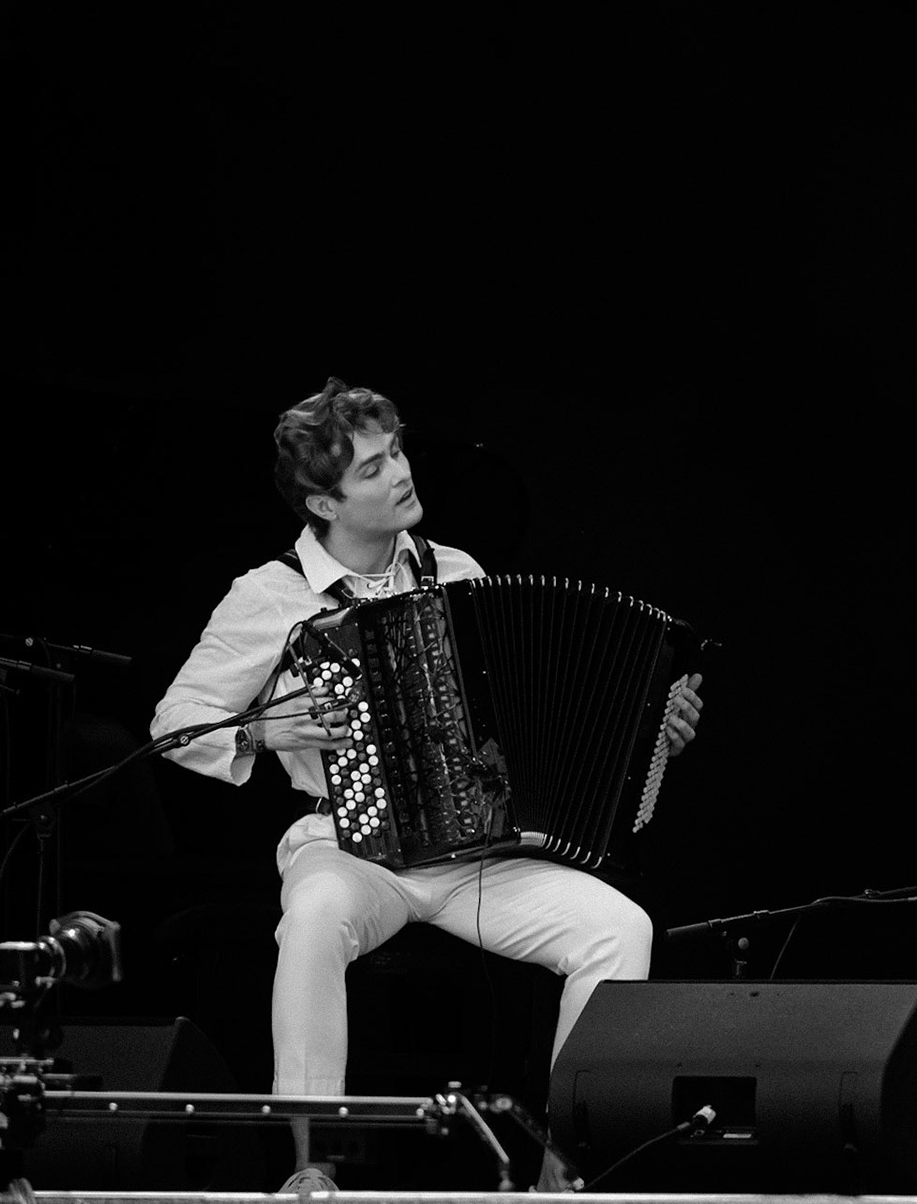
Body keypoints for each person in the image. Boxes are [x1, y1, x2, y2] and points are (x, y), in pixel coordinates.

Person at [150, 378, 702, 1188]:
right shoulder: (269, 596)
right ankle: (311, 1170)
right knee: (312, 919)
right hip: (348, 840)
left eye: (396, 451)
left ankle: (567, 1167)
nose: (400, 472)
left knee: (620, 929)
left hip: (473, 846)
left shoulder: (456, 570)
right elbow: (174, 720)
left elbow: (515, 717)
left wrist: (650, 732)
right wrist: (257, 733)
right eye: (372, 470)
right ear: (323, 502)